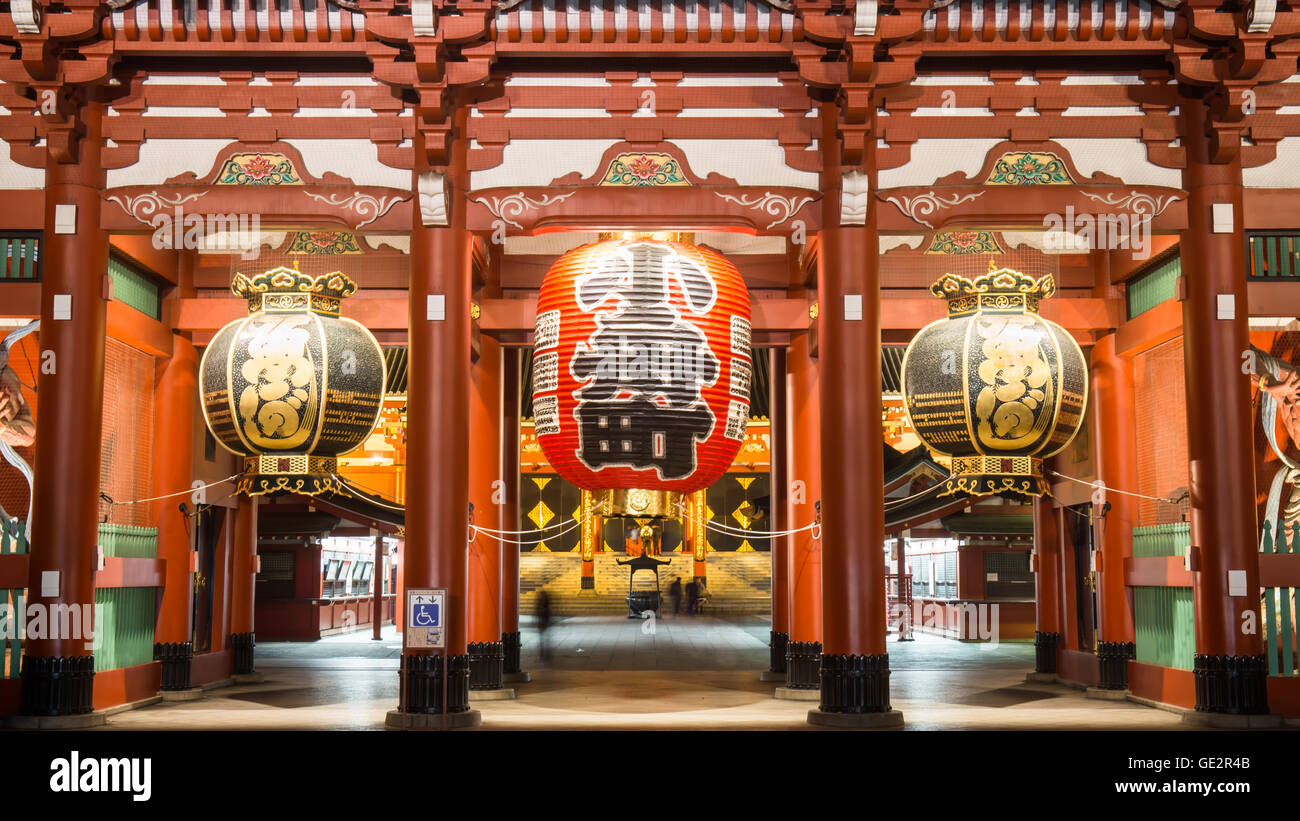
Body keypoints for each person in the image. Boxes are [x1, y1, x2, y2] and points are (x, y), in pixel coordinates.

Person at [535, 589, 552, 665]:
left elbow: (547, 613)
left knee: (545, 640)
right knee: (543, 640)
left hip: (545, 622)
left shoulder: (546, 604)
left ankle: (546, 654)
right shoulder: (540, 603)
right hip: (541, 622)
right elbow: (537, 611)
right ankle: (543, 654)